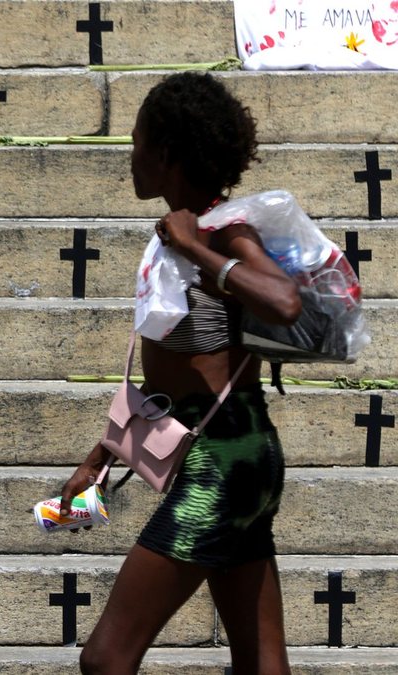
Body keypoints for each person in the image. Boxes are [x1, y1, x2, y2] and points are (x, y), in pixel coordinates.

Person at [59, 72, 302, 674]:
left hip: (222, 462)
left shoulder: (223, 229)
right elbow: (180, 376)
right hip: (236, 449)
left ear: (165, 151)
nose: (130, 155)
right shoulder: (180, 231)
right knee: (260, 663)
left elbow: (284, 301)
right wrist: (103, 452)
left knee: (105, 659)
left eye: (137, 140)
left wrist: (198, 249)